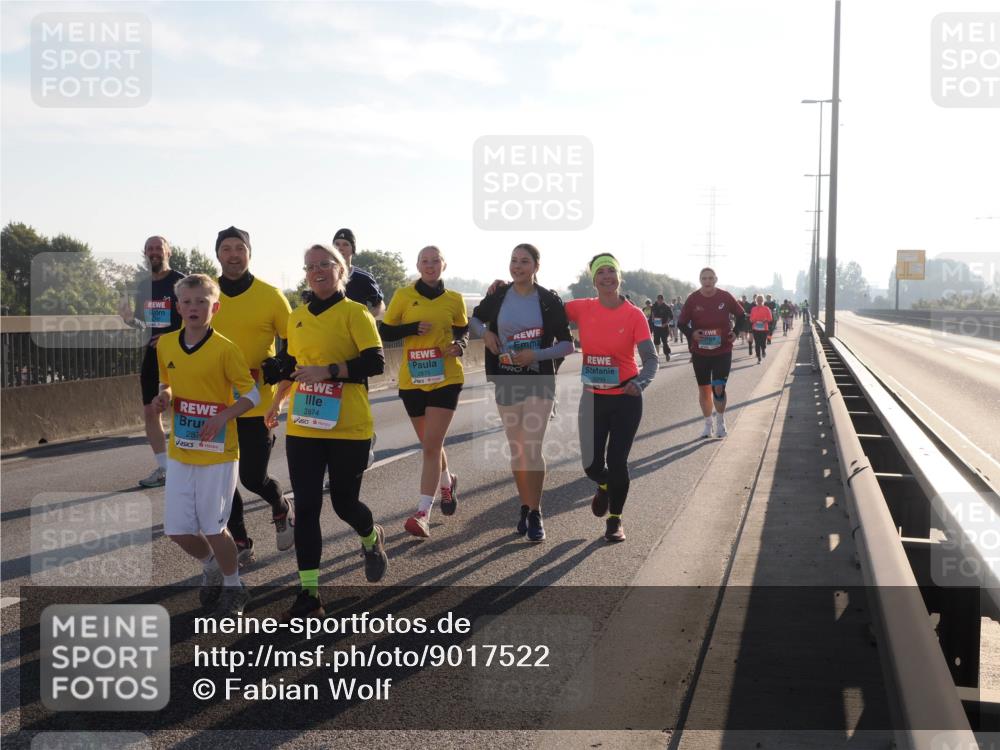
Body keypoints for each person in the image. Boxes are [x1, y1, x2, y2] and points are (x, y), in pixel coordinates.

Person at [265, 244, 388, 620]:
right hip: (305, 424)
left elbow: (375, 362)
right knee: (306, 507)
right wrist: (276, 398)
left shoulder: (355, 312)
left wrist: (329, 371)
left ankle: (371, 537)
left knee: (344, 504)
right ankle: (309, 594)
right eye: (310, 266)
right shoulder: (297, 316)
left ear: (340, 270)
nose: (317, 271)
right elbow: (294, 363)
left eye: (325, 264)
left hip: (349, 426)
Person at [153, 274, 258, 618]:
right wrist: (165, 397)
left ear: (215, 307)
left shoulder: (226, 349)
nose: (194, 307)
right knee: (177, 531)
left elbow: (252, 395)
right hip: (181, 449)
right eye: (187, 301)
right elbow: (168, 382)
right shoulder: (166, 344)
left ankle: (234, 585)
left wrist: (223, 416)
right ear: (178, 307)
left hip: (217, 452)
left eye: (201, 301)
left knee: (213, 527)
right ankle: (212, 564)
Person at [470, 244, 574, 542]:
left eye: (524, 261)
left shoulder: (548, 300)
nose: (517, 266)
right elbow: (474, 319)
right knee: (517, 449)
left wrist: (535, 355)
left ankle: (536, 512)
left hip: (539, 380)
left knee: (531, 448)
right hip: (507, 379)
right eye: (514, 260)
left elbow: (567, 345)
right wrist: (486, 334)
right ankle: (525, 505)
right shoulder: (499, 294)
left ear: (536, 266)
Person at [212, 226, 294, 566]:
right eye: (226, 248)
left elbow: (296, 340)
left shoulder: (271, 295)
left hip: (258, 403)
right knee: (223, 479)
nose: (233, 255)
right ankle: (241, 540)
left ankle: (280, 505)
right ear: (218, 254)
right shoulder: (206, 293)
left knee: (251, 477)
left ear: (249, 253)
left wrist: (281, 361)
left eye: (239, 248)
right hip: (214, 403)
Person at [566, 254, 657, 543]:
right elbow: (543, 306)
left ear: (619, 277)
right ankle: (604, 483)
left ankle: (615, 519)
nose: (607, 276)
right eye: (600, 272)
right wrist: (502, 291)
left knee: (618, 462)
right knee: (591, 464)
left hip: (625, 398)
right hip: (593, 398)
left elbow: (651, 359)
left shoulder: (634, 314)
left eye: (611, 271)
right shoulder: (581, 308)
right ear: (593, 280)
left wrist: (640, 383)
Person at [380, 246, 468, 538]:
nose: (430, 266)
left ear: (444, 264)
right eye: (425, 261)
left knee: (430, 446)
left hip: (446, 378)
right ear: (418, 265)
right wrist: (411, 328)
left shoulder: (454, 299)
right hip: (413, 380)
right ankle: (447, 481)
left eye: (435, 261)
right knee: (431, 444)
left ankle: (422, 514)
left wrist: (460, 345)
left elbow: (462, 329)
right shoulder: (404, 296)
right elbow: (386, 331)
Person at [118, 236, 185, 488]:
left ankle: (187, 462)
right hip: (152, 356)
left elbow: (198, 319)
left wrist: (171, 338)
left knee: (183, 409)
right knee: (150, 411)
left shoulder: (182, 282)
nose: (154, 252)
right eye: (150, 249)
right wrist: (129, 320)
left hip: (181, 354)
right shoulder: (143, 286)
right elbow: (144, 325)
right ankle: (165, 468)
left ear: (168, 252)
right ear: (145, 253)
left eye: (159, 248)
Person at [332, 228, 384, 473]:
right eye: (337, 244)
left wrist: (366, 320)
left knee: (356, 398)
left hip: (357, 347)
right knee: (331, 401)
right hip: (331, 346)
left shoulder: (362, 277)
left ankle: (365, 438)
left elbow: (379, 305)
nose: (341, 248)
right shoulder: (324, 273)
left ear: (352, 249)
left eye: (345, 244)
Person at [677, 268, 746, 439]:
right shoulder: (693, 299)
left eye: (710, 278)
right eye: (704, 278)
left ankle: (720, 422)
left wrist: (736, 332)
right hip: (700, 352)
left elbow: (741, 315)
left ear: (715, 279)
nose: (707, 281)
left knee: (718, 387)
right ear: (700, 280)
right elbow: (681, 323)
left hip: (722, 350)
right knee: (704, 390)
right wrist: (692, 333)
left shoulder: (725, 297)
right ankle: (708, 424)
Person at [748, 294, 772, 363]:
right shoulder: (753, 309)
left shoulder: (766, 308)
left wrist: (765, 320)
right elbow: (751, 319)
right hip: (755, 329)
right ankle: (759, 358)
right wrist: (753, 320)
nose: (759, 301)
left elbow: (770, 318)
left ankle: (763, 350)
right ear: (756, 301)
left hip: (764, 328)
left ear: (763, 301)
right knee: (757, 343)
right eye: (758, 300)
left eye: (761, 300)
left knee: (763, 343)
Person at [649, 294, 673, 361]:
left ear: (662, 300)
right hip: (656, 326)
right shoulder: (654, 306)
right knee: (656, 342)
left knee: (664, 341)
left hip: (664, 327)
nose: (659, 301)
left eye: (660, 300)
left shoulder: (666, 307)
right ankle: (657, 356)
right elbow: (652, 314)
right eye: (658, 299)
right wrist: (653, 319)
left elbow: (671, 316)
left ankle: (667, 353)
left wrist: (666, 323)